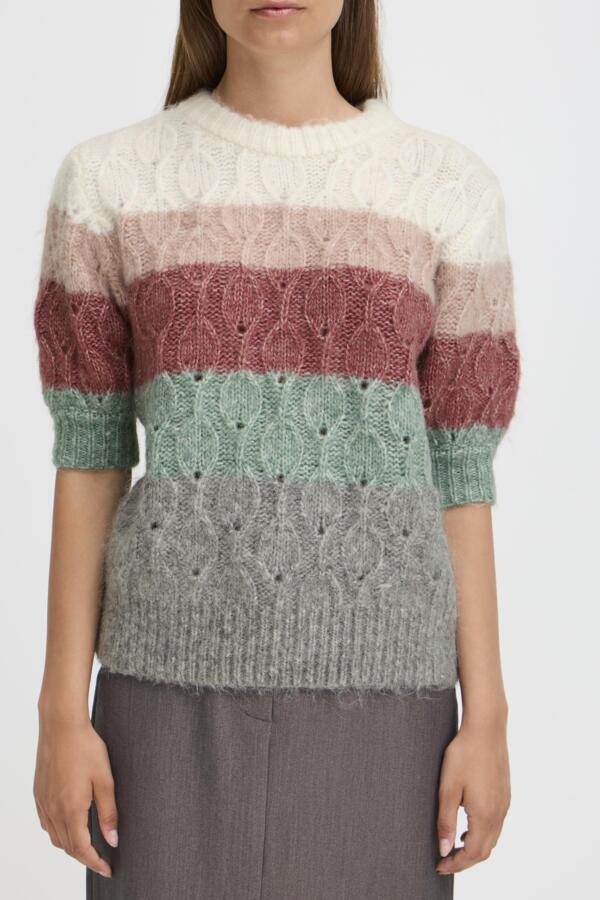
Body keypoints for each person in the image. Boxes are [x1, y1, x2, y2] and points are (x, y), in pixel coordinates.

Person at [32, 1, 520, 897]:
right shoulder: (109, 182)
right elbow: (91, 455)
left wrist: (486, 714)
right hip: (159, 708)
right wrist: (60, 709)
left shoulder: (447, 189)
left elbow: (460, 470)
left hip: (389, 714)